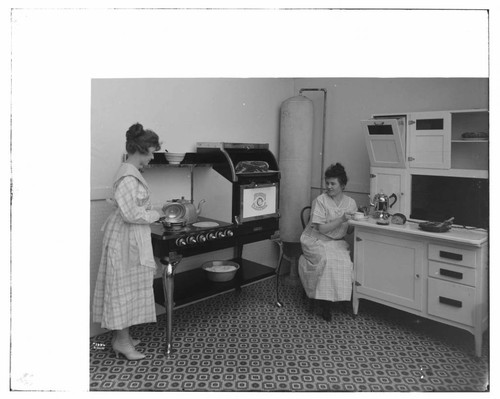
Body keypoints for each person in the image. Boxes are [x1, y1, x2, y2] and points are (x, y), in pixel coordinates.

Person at [92, 123, 162, 360]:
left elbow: (129, 207)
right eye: (151, 152)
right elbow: (131, 214)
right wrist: (155, 214)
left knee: (128, 288)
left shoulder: (130, 173)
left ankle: (122, 337)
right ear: (140, 150)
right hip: (125, 238)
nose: (151, 158)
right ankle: (122, 342)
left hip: (128, 236)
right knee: (123, 289)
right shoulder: (128, 176)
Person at [298, 163, 357, 321]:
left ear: (342, 185)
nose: (329, 187)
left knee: (345, 262)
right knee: (328, 260)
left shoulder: (351, 203)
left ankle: (342, 300)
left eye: (333, 184)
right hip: (315, 239)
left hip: (336, 241)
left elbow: (349, 231)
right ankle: (325, 305)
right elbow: (322, 229)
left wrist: (354, 223)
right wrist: (342, 218)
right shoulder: (320, 200)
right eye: (327, 183)